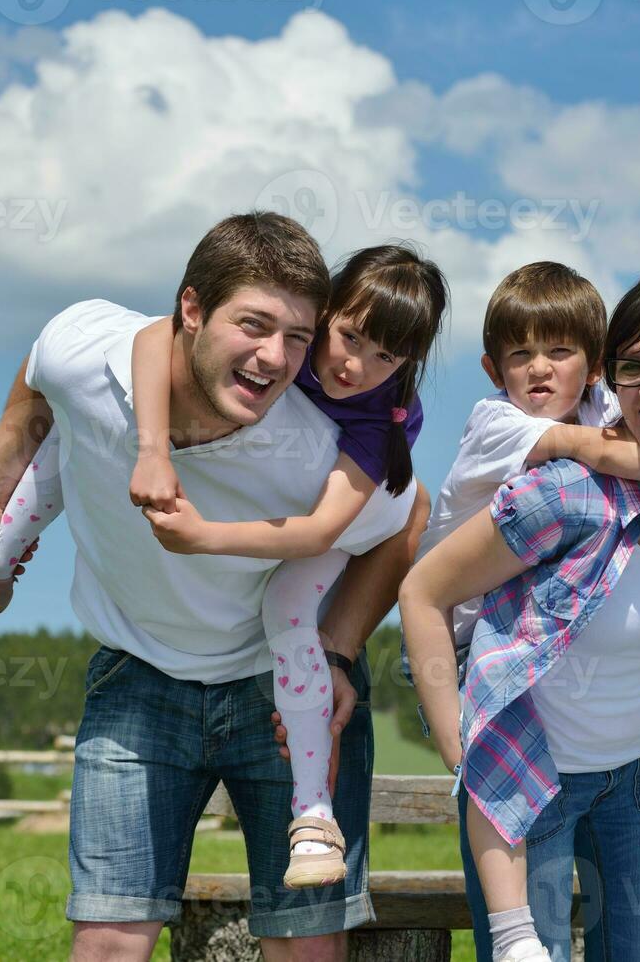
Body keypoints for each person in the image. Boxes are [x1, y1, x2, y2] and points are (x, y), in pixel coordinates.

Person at [0, 212, 429, 961]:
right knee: (110, 935)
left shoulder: (321, 448)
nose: (273, 357)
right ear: (190, 309)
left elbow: (405, 523)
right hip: (135, 677)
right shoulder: (91, 354)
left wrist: (338, 652)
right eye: (253, 324)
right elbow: (37, 377)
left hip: (275, 692)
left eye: (296, 338)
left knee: (304, 943)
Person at [401, 258, 640, 961]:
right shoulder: (562, 487)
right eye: (634, 368)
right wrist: (456, 750)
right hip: (531, 771)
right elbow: (423, 592)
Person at [123, 243, 447, 888]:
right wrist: (152, 450)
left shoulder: (381, 418)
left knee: (287, 606)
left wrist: (205, 536)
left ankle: (313, 813)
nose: (356, 366)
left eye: (386, 356)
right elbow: (153, 336)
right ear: (322, 313)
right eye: (348, 337)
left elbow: (324, 528)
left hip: (341, 529)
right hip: (292, 514)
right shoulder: (285, 355)